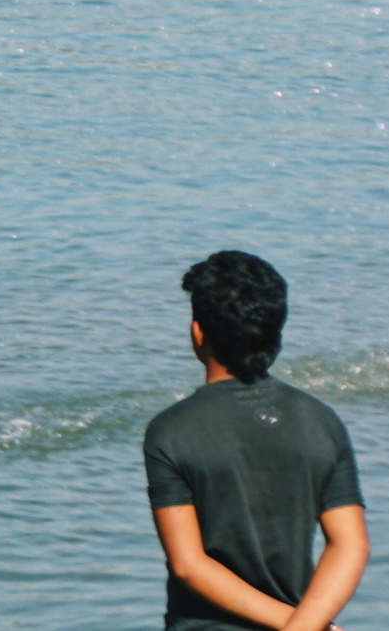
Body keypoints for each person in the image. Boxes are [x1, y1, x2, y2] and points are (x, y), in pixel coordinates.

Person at [145, 250, 368, 631]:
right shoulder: (321, 421)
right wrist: (308, 624)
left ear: (198, 332)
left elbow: (189, 565)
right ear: (275, 333)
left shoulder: (171, 431)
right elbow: (350, 545)